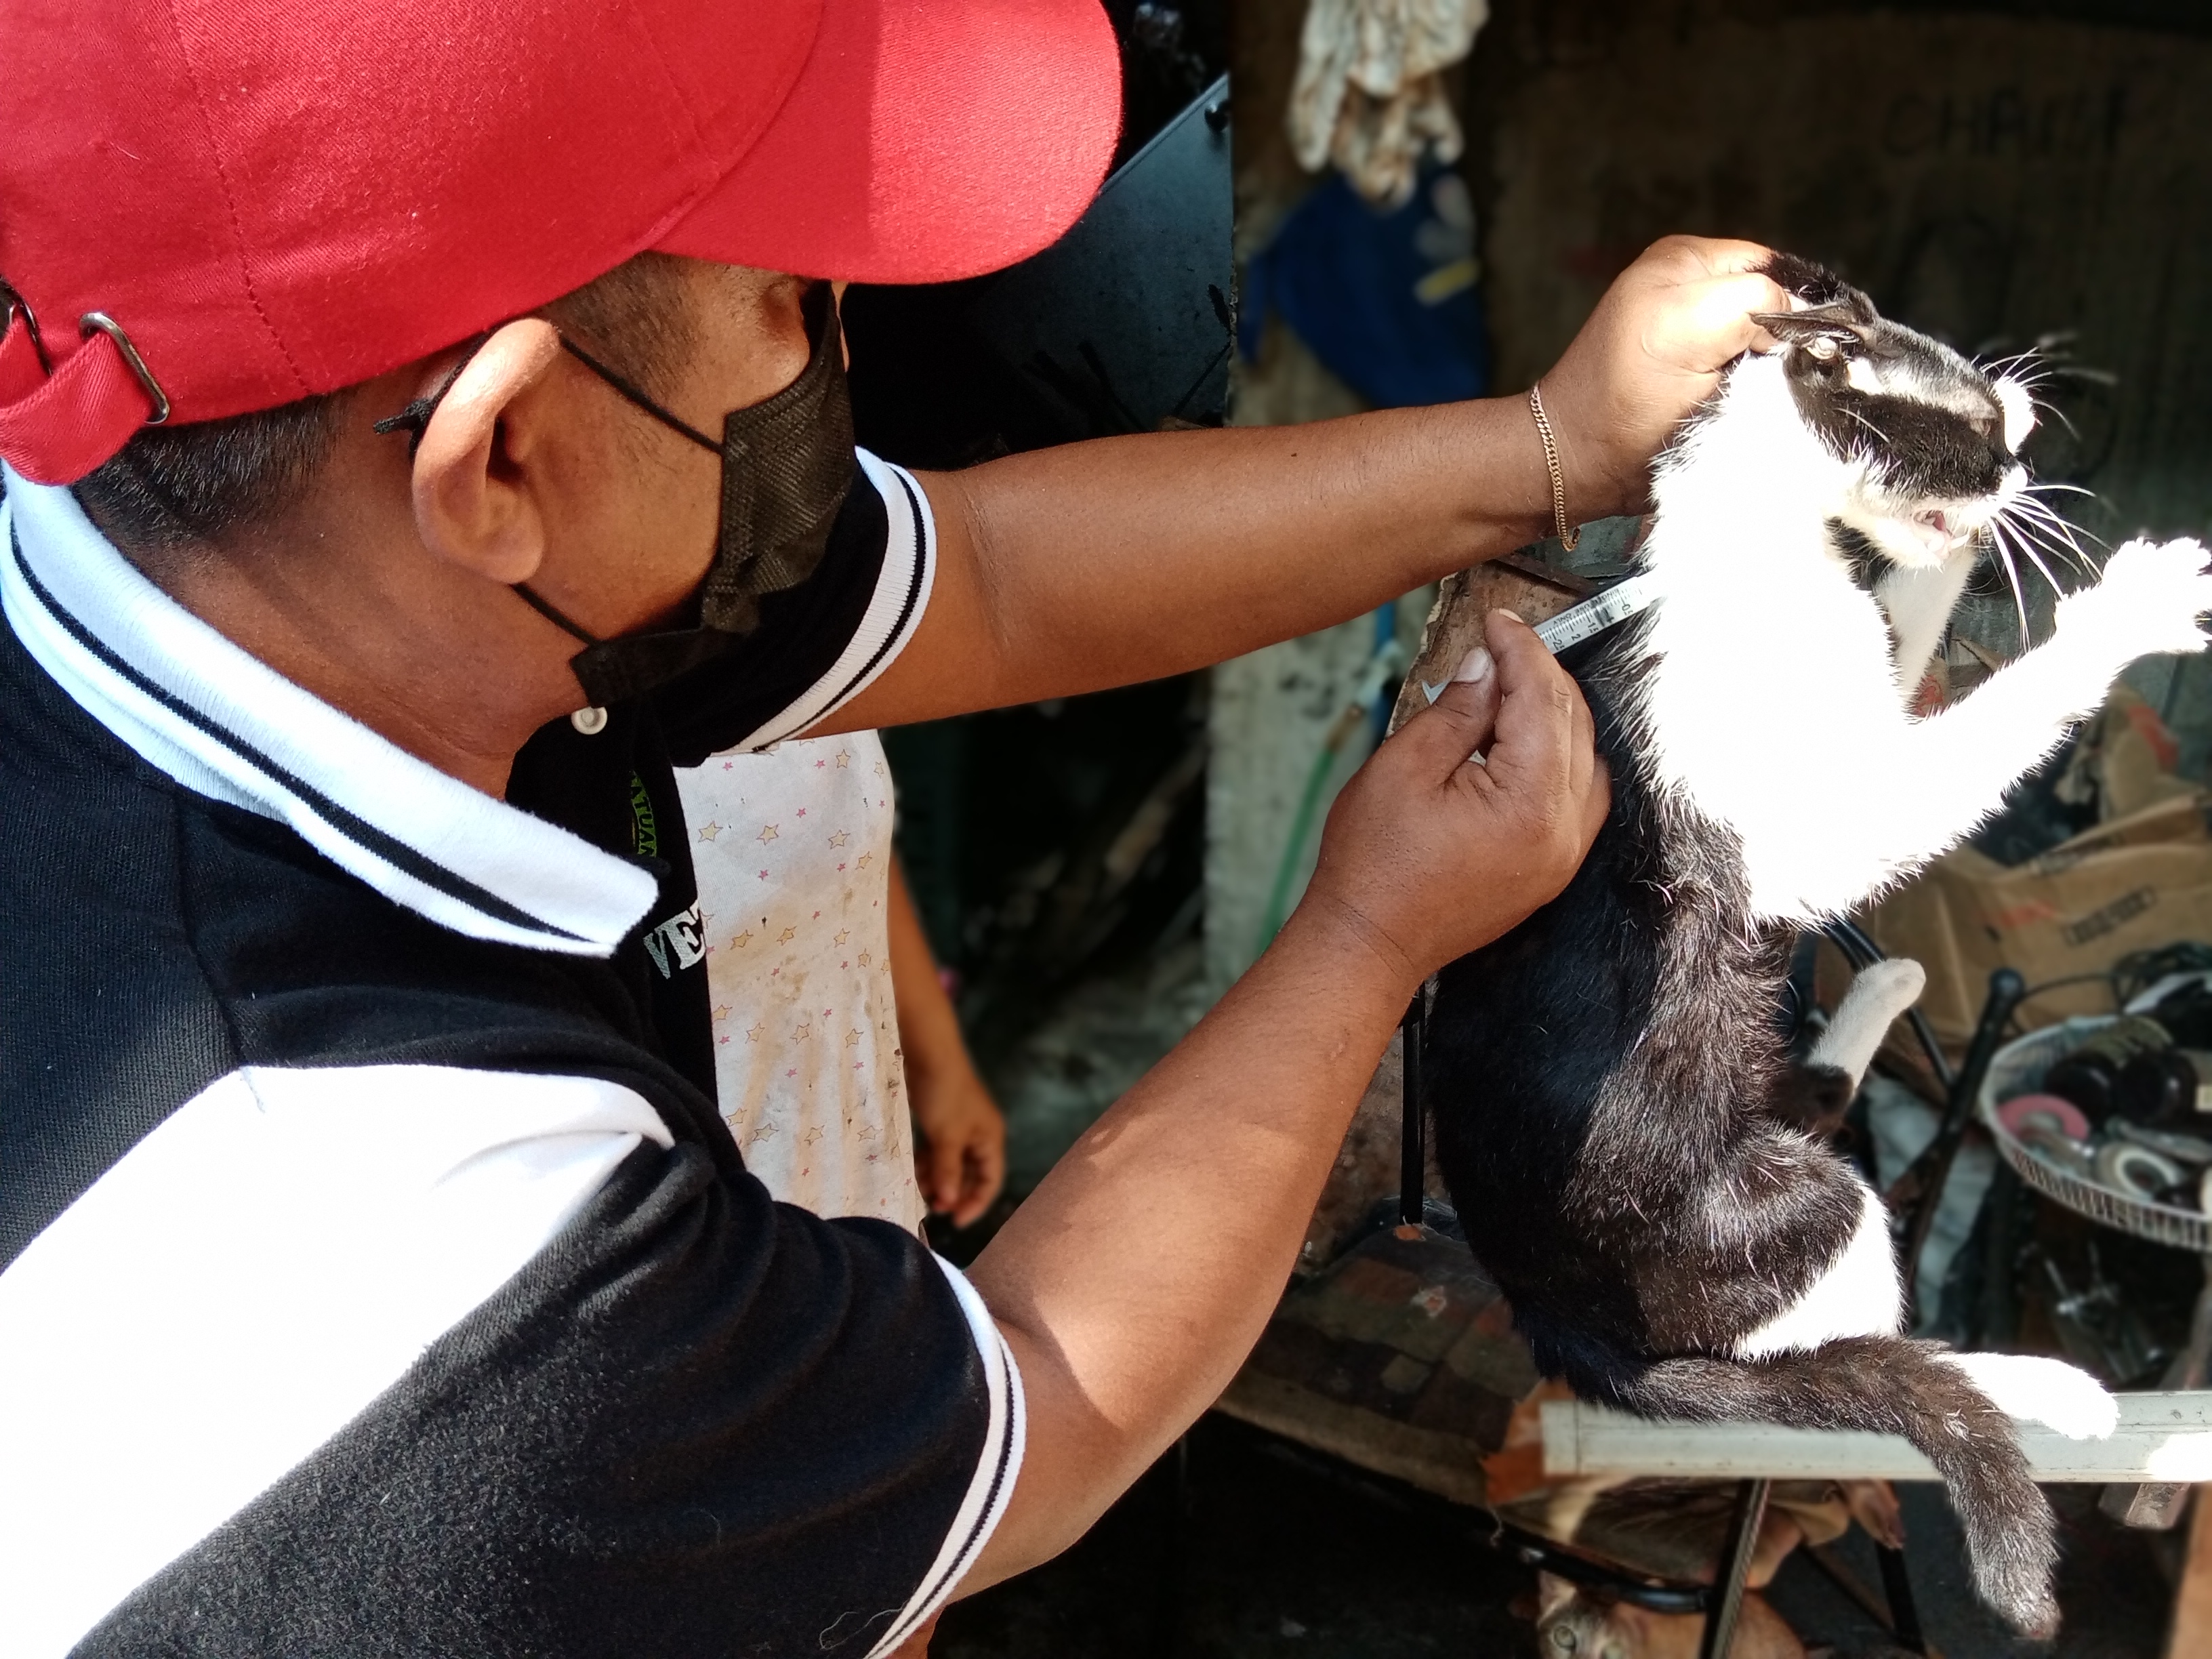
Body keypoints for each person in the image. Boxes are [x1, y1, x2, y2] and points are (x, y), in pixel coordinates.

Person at [0, 3, 1784, 1654]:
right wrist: (1369, 934)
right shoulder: (422, 1264)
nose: (841, 356)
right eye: (789, 295)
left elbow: (992, 578)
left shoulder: (232, 533)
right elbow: (1039, 1393)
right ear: (506, 462)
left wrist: (1550, 442)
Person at [677, 729, 1006, 1231]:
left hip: (850, 1181)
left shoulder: (793, 668)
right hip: (704, 1233)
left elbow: (835, 835)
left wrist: (936, 1059)